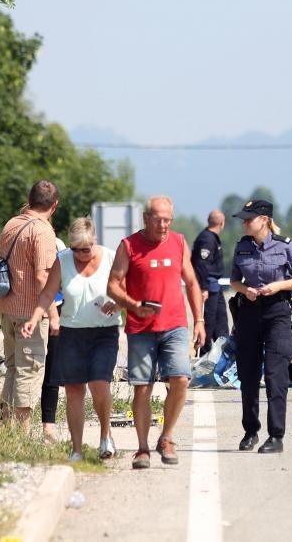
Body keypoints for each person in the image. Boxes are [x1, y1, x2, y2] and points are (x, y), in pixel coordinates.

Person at [108, 195, 206, 469]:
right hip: (141, 329)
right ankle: (142, 449)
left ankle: (167, 437)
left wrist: (199, 320)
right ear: (146, 218)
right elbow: (113, 285)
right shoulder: (129, 246)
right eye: (158, 220)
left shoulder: (178, 242)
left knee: (181, 379)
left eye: (168, 220)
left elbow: (192, 282)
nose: (163, 225)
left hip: (174, 325)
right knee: (143, 388)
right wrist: (133, 306)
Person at [22, 218, 121, 461]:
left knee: (99, 383)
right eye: (75, 249)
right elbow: (48, 294)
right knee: (74, 390)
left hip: (104, 332)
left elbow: (125, 290)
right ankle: (76, 450)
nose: (80, 255)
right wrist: (34, 318)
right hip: (72, 333)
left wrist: (116, 304)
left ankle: (105, 435)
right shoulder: (63, 260)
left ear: (94, 241)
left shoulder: (110, 258)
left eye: (85, 249)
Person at [230, 199, 292, 454]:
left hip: (277, 313)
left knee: (276, 375)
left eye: (248, 219)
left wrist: (278, 286)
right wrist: (245, 290)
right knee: (248, 374)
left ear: (264, 220)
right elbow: (234, 280)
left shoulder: (285, 246)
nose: (244, 223)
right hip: (248, 313)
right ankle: (250, 431)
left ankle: (276, 436)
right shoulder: (241, 246)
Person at [0, 180, 60, 431]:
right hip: (30, 313)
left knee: (13, 368)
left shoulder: (11, 224)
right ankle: (21, 435)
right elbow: (43, 277)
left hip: (7, 308)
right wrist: (53, 314)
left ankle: (5, 428)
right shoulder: (43, 231)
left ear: (30, 199)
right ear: (54, 205)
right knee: (29, 371)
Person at [191, 209, 230, 357]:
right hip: (208, 286)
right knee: (208, 323)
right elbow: (201, 265)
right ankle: (203, 355)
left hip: (215, 287)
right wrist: (204, 288)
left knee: (221, 323)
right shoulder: (207, 239)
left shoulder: (211, 238)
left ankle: (223, 355)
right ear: (222, 223)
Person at [40, 237, 67, 443]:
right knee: (48, 370)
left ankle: (48, 424)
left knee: (48, 370)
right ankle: (48, 425)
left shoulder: (56, 243)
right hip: (50, 309)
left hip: (48, 308)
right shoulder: (53, 242)